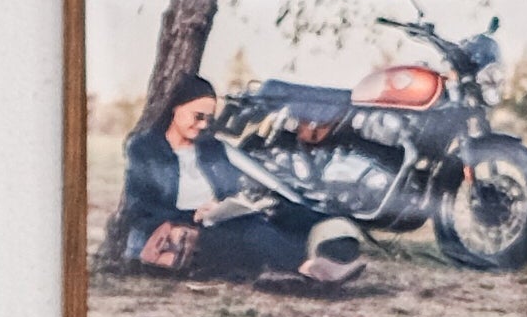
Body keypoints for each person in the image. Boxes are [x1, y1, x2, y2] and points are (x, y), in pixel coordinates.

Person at [110, 76, 362, 285]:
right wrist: (191, 216)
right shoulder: (145, 148)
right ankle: (308, 270)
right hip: (175, 237)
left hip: (216, 225)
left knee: (262, 222)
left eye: (208, 119)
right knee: (247, 236)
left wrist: (230, 204)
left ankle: (303, 269)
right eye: (197, 116)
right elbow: (140, 208)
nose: (203, 125)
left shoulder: (210, 148)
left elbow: (232, 189)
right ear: (175, 108)